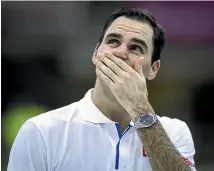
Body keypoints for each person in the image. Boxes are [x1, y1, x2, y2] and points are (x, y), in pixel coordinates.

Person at [7, 7, 196, 171]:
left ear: (153, 69)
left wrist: (140, 109)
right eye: (113, 41)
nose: (121, 53)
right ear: (96, 53)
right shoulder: (41, 131)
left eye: (136, 47)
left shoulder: (175, 132)